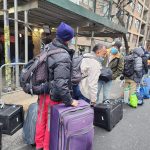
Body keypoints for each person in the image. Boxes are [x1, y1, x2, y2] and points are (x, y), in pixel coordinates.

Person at [35, 22, 79, 150]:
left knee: (41, 119)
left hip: (43, 92)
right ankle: (47, 147)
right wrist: (70, 101)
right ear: (68, 38)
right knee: (50, 124)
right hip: (52, 96)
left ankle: (39, 144)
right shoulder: (63, 55)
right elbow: (61, 83)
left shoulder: (48, 47)